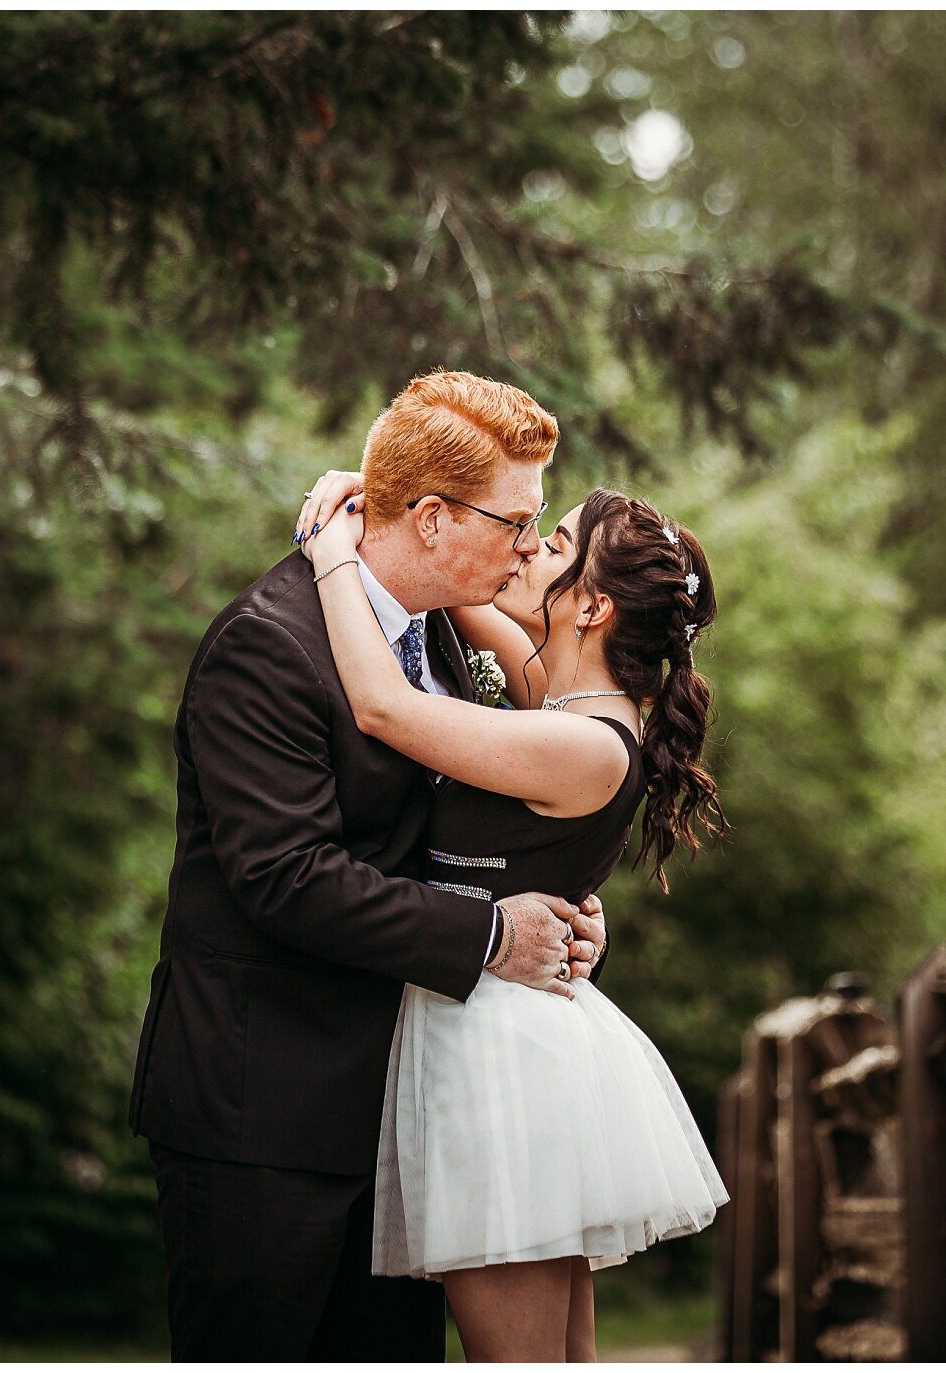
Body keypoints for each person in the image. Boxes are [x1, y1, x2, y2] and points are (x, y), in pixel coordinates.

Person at [129, 372, 610, 1361]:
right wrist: (489, 934)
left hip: (394, 1115)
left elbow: (447, 830)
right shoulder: (265, 647)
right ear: (429, 519)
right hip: (260, 1114)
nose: (530, 547)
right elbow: (288, 877)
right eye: (516, 522)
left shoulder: (437, 633)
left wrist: (555, 917)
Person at [292, 470, 730, 1362]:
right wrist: (385, 500)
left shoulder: (579, 740)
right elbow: (459, 590)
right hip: (494, 1035)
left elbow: (383, 706)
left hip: (501, 1062)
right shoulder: (562, 700)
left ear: (594, 607)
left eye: (556, 543)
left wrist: (331, 551)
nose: (530, 547)